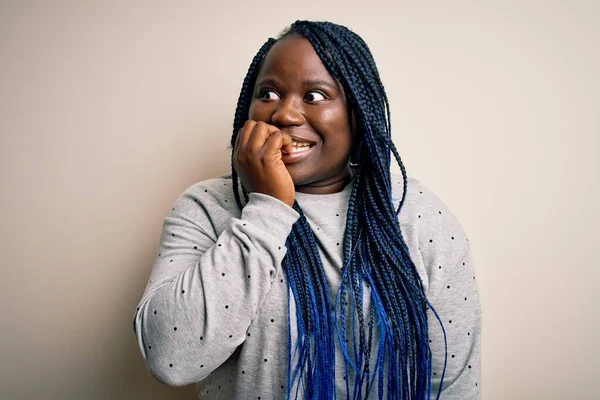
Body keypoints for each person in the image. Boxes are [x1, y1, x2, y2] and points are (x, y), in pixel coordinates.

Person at [133, 20, 481, 400]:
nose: (284, 115)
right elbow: (169, 358)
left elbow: (451, 383)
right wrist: (268, 208)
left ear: (358, 113)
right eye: (267, 93)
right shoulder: (207, 207)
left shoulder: (415, 216)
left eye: (315, 96)